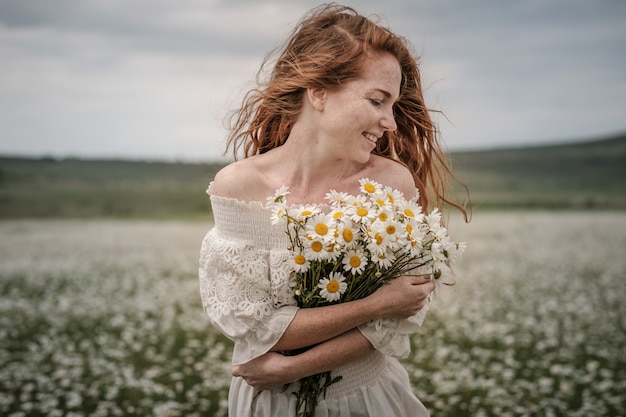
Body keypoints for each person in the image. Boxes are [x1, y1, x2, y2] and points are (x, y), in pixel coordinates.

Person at [199, 4, 469, 416]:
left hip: (368, 397)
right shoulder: (240, 188)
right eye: (378, 101)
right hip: (269, 405)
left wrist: (294, 368)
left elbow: (401, 314)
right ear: (319, 91)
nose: (390, 123)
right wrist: (376, 303)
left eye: (393, 105)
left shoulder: (390, 185)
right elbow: (256, 328)